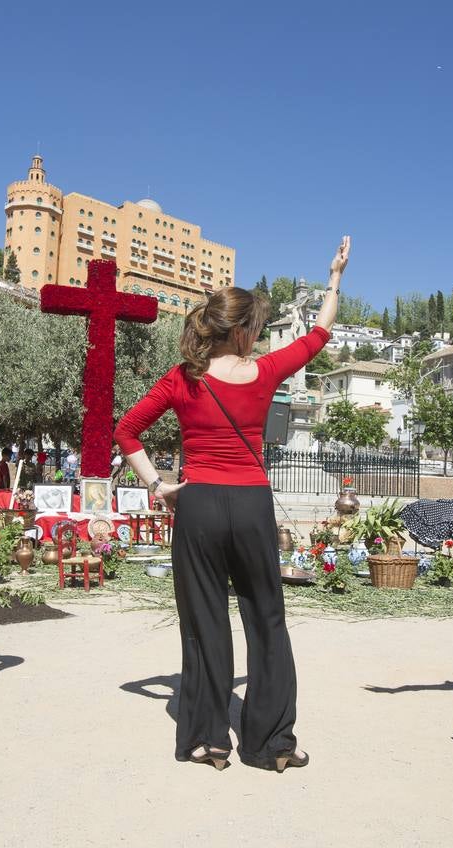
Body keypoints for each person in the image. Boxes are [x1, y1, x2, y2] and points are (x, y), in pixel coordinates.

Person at [116, 236, 351, 772]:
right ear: (243, 331)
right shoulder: (265, 372)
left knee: (204, 622)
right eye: (258, 329)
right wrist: (334, 277)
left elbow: (126, 431)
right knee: (267, 619)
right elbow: (320, 332)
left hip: (197, 504)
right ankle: (271, 745)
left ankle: (207, 740)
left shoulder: (182, 378)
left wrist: (158, 486)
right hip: (250, 504)